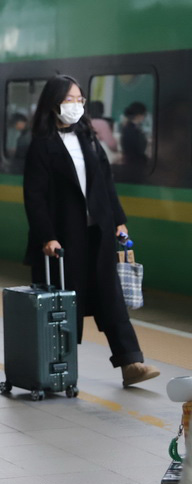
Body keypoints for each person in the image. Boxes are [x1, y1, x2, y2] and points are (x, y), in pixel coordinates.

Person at [22, 75, 159, 388]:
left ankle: (130, 362)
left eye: (80, 99)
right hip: (64, 238)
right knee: (65, 302)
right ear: (54, 103)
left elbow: (105, 182)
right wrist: (47, 236)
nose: (76, 106)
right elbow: (35, 197)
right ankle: (57, 367)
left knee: (110, 295)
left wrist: (119, 220)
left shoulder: (89, 138)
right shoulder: (41, 146)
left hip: (97, 230)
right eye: (70, 99)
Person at [120, 101, 150, 182]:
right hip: (135, 164)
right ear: (139, 115)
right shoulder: (133, 130)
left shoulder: (128, 128)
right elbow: (139, 148)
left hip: (131, 162)